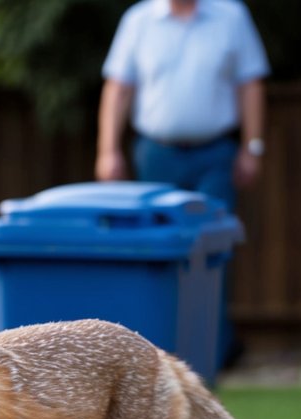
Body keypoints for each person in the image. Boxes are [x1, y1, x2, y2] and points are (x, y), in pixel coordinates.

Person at [96, 0, 270, 369]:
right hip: (157, 154)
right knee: (158, 251)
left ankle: (211, 355)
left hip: (216, 153)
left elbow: (250, 84)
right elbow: (118, 89)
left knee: (212, 249)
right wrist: (107, 150)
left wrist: (252, 147)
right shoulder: (139, 20)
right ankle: (160, 353)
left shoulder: (230, 16)